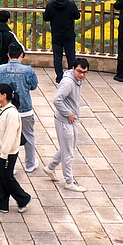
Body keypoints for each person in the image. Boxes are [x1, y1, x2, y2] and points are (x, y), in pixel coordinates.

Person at [44, 58, 89, 192]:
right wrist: (68, 113)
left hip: (71, 120)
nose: (82, 75)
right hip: (65, 121)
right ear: (73, 69)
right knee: (68, 153)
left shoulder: (78, 80)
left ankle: (50, 167)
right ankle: (69, 181)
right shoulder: (68, 83)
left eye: (85, 72)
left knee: (68, 147)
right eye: (80, 72)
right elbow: (57, 100)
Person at [0, 43, 39, 172]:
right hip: (24, 108)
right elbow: (33, 86)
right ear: (21, 55)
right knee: (29, 136)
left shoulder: (0, 69)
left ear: (8, 55)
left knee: (5, 136)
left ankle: (9, 165)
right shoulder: (28, 70)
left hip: (6, 108)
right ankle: (30, 164)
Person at [0, 82, 30, 213]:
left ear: (4, 95)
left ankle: (23, 198)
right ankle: (3, 203)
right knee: (0, 177)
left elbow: (10, 136)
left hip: (8, 152)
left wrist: (4, 153)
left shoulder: (11, 113)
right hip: (0, 150)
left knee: (7, 178)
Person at [44, 0, 80, 84]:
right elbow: (77, 16)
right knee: (71, 57)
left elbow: (46, 17)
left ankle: (59, 77)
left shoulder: (50, 5)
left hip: (56, 35)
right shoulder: (71, 5)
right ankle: (71, 76)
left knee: (57, 57)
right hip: (69, 35)